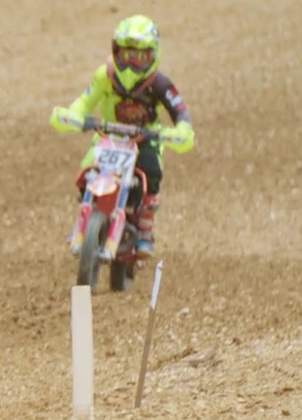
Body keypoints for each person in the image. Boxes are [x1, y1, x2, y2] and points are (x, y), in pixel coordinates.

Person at [49, 14, 196, 257]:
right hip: (108, 136)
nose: (132, 65)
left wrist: (181, 131)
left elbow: (180, 112)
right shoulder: (104, 76)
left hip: (145, 139)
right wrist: (72, 115)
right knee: (87, 170)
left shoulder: (160, 84)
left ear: (153, 55)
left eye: (140, 57)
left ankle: (145, 226)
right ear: (116, 52)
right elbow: (85, 101)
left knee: (151, 171)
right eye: (127, 56)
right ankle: (86, 214)